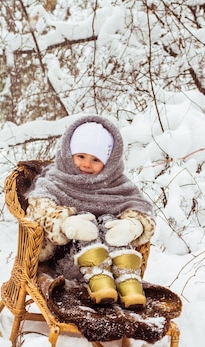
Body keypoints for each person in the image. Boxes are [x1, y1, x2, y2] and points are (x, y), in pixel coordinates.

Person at [25, 115, 155, 309]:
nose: (86, 164)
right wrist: (66, 224)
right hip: (68, 262)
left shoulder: (117, 184)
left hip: (113, 266)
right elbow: (40, 209)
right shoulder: (54, 181)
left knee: (109, 220)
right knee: (86, 222)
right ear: (69, 155)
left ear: (109, 162)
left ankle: (129, 281)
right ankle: (99, 282)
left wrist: (132, 225)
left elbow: (140, 208)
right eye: (81, 156)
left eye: (96, 159)